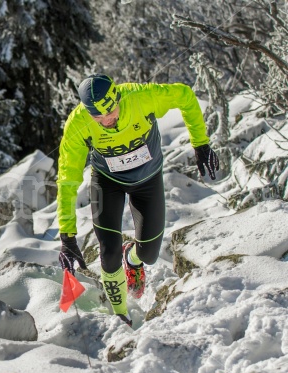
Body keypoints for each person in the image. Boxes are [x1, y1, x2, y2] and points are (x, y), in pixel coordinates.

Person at [57, 74, 219, 326]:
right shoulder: (78, 124)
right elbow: (67, 178)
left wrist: (201, 144)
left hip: (147, 180)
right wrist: (67, 235)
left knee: (149, 253)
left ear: (118, 98)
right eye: (98, 118)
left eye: (111, 112)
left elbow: (185, 95)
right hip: (107, 183)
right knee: (108, 253)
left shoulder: (141, 97)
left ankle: (132, 258)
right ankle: (120, 314)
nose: (107, 121)